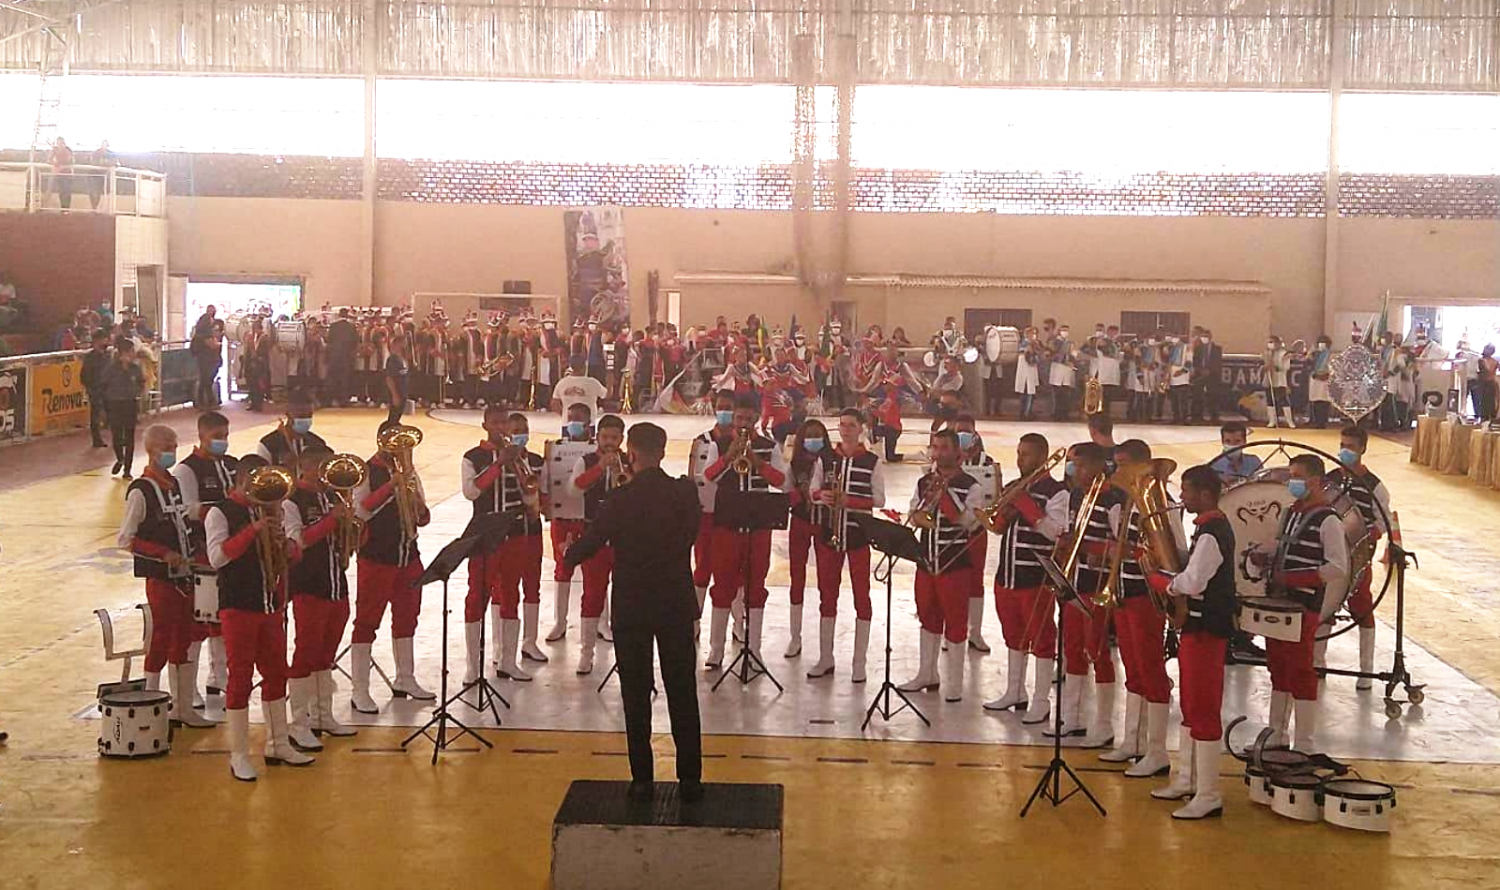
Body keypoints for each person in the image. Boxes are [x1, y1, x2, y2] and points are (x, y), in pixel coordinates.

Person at [563, 421, 703, 803]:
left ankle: (642, 779)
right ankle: (690, 780)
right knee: (682, 691)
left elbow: (591, 543)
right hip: (674, 601)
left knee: (636, 694)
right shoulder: (684, 493)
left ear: (633, 453)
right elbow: (691, 534)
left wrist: (569, 552)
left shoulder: (620, 499)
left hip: (632, 606)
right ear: (662, 451)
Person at [206, 453, 315, 780]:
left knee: (276, 673)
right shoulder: (220, 512)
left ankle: (278, 743)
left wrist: (287, 547)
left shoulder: (270, 511)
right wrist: (253, 531)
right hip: (238, 605)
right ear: (240, 482)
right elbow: (216, 558)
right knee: (239, 678)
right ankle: (238, 753)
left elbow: (288, 557)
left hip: (269, 604)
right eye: (255, 486)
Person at [1146, 464, 1235, 820]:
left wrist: (1160, 581)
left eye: (1186, 491)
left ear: (1205, 495)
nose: (1181, 497)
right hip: (1196, 630)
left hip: (1206, 630)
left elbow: (1194, 582)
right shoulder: (1206, 530)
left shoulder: (1212, 533)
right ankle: (1188, 779)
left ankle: (1209, 791)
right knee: (1191, 705)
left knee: (1203, 707)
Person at [116, 424, 214, 728]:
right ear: (152, 449)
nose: (173, 450)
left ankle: (182, 707)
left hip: (185, 576)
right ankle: (150, 703)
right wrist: (163, 554)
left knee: (184, 636)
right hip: (161, 578)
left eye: (174, 444)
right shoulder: (140, 491)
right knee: (161, 635)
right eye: (168, 446)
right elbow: (125, 539)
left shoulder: (172, 483)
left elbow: (182, 520)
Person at [1251, 454, 1348, 753]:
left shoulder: (1328, 520)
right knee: (1277, 666)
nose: (1290, 482)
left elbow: (1338, 567)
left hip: (1304, 605)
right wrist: (1265, 557)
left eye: (1296, 476)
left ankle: (1305, 743)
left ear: (1315, 481)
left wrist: (1292, 579)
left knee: (1302, 670)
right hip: (1280, 603)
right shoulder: (1292, 512)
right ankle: (1276, 734)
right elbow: (1284, 545)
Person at [1098, 440, 1176, 778]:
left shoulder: (1162, 505)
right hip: (1125, 592)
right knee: (1133, 667)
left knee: (1151, 668)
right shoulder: (1123, 505)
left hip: (1147, 596)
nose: (1117, 472)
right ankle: (1133, 741)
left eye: (1124, 465)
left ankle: (1157, 750)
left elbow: (1173, 554)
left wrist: (1132, 551)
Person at [350, 420, 434, 712]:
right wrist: (390, 487)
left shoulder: (409, 472)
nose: (402, 450)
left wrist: (418, 505)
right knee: (367, 621)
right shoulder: (365, 472)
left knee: (408, 615)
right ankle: (359, 689)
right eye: (397, 444)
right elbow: (360, 511)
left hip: (408, 553)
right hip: (377, 556)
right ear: (380, 442)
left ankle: (405, 677)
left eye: (406, 446)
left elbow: (423, 516)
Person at [982, 432, 1067, 723]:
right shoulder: (1015, 486)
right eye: (1018, 453)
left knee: (1042, 639)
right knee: (1013, 636)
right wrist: (1002, 512)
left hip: (1036, 577)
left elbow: (1058, 532)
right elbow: (997, 528)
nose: (1020, 459)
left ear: (1043, 457)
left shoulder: (1057, 492)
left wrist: (1029, 507)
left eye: (1026, 454)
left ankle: (1042, 702)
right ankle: (1015, 691)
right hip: (1007, 574)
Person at [700, 394, 788, 668]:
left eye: (750, 420)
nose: (744, 424)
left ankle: (755, 648)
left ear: (757, 420)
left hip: (759, 525)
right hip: (726, 523)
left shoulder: (769, 446)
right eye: (739, 419)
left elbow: (781, 481)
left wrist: (756, 461)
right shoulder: (718, 444)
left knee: (756, 586)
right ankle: (716, 649)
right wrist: (729, 457)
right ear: (733, 419)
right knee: (723, 584)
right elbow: (708, 476)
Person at [461, 408, 547, 683]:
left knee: (511, 595)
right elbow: (471, 491)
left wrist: (525, 481)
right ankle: (473, 667)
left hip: (516, 535)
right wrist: (499, 464)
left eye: (505, 424)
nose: (501, 428)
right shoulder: (473, 457)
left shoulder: (518, 456)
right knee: (477, 597)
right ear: (485, 424)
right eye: (496, 423)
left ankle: (508, 661)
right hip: (484, 537)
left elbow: (528, 492)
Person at [281, 447, 359, 750]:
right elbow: (297, 540)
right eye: (322, 468)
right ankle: (298, 722)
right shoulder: (291, 501)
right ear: (307, 468)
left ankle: (323, 715)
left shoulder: (330, 497)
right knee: (306, 652)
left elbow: (340, 539)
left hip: (335, 582)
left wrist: (351, 529)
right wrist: (331, 520)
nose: (328, 475)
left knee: (326, 652)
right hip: (308, 585)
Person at [898, 430, 981, 703]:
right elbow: (914, 513)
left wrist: (944, 495)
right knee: (927, 617)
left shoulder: (972, 486)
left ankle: (955, 683)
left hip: (955, 562)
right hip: (927, 560)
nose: (938, 452)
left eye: (944, 448)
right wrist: (923, 510)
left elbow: (968, 522)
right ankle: (927, 673)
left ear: (957, 452)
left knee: (955, 623)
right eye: (935, 447)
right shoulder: (924, 482)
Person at [1054, 442, 1122, 746]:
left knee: (1098, 652)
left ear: (1098, 465)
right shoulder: (1076, 495)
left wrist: (1095, 551)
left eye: (1081, 466)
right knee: (1072, 649)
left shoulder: (1115, 500)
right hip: (1075, 583)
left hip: (1097, 585)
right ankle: (1073, 717)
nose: (1075, 471)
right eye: (1073, 465)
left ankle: (1104, 723)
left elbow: (1123, 546)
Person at [807, 408, 884, 681]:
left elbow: (879, 500)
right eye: (842, 425)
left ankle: (859, 663)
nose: (846, 430)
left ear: (861, 428)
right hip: (830, 532)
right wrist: (822, 495)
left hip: (858, 535)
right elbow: (813, 490)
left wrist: (849, 501)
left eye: (851, 425)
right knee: (827, 595)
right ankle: (825, 657)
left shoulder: (873, 461)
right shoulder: (826, 457)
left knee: (862, 596)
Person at [172, 411, 237, 706]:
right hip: (200, 551)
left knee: (221, 618)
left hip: (225, 549)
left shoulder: (229, 465)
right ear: (201, 436)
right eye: (217, 437)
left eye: (225, 436)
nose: (222, 442)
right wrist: (226, 511)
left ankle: (218, 677)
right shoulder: (186, 470)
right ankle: (188, 689)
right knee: (199, 621)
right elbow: (188, 509)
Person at [1326, 426, 1389, 690]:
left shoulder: (1375, 485)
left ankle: (1366, 669)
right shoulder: (1329, 479)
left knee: (1362, 605)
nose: (1345, 451)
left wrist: (1362, 538)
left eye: (1351, 446)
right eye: (1342, 444)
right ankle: (1318, 661)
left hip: (1358, 556)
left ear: (1363, 449)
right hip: (1327, 553)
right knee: (1323, 605)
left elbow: (1382, 521)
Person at [569, 414, 630, 674]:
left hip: (623, 537)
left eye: (614, 438)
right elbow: (575, 489)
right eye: (605, 437)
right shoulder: (586, 461)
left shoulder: (629, 461)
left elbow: (635, 490)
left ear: (621, 440)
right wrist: (600, 468)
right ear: (597, 437)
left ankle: (625, 650)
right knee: (592, 594)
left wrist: (619, 471)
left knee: (625, 594)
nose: (609, 442)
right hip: (593, 532)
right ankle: (586, 652)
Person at [687, 392, 739, 637]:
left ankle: (740, 624)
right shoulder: (701, 441)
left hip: (734, 513)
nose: (725, 412)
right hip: (705, 511)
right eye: (721, 407)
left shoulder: (746, 440)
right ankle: (694, 621)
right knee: (702, 568)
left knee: (735, 571)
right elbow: (692, 476)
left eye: (729, 408)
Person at [542, 404, 595, 642]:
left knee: (595, 572)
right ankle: (559, 622)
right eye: (570, 417)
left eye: (578, 418)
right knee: (562, 569)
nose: (573, 422)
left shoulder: (598, 450)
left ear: (588, 423)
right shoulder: (554, 449)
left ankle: (601, 621)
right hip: (562, 519)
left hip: (589, 520)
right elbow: (546, 481)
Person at [784, 418, 832, 658]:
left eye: (818, 435)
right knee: (796, 576)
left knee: (826, 579)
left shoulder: (833, 463)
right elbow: (785, 491)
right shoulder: (795, 465)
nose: (814, 439)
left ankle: (826, 648)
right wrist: (798, 495)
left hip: (825, 524)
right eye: (809, 435)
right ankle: (795, 637)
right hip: (800, 523)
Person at [953, 415, 998, 652]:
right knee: (951, 581)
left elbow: (994, 495)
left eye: (967, 431)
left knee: (975, 580)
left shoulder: (987, 461)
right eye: (958, 431)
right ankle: (951, 632)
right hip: (950, 530)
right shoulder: (945, 457)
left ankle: (975, 632)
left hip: (977, 530)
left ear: (975, 434)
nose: (963, 436)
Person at [101, 336, 145, 478]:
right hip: (115, 403)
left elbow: (141, 382)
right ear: (123, 353)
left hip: (130, 403)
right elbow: (103, 385)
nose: (133, 354)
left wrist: (137, 392)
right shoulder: (111, 368)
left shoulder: (135, 368)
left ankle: (127, 469)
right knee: (117, 435)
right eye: (131, 351)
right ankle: (120, 458)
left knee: (130, 436)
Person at [256, 392, 328, 469]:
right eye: (301, 416)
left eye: (309, 416)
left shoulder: (317, 442)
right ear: (288, 414)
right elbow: (261, 475)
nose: (306, 420)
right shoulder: (268, 444)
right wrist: (283, 467)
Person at [81, 330, 112, 448]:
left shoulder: (107, 355)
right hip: (95, 389)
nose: (105, 341)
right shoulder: (90, 357)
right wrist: (91, 388)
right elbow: (85, 375)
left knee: (111, 413)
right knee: (95, 414)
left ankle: (115, 436)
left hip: (107, 389)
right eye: (103, 339)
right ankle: (96, 439)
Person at [553, 355, 608, 419]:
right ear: (584, 366)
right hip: (588, 423)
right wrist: (610, 382)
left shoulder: (562, 383)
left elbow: (554, 403)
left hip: (567, 423)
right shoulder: (593, 383)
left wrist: (565, 415)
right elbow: (606, 395)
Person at [189, 305, 221, 408]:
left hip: (204, 358)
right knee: (206, 380)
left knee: (205, 380)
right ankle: (206, 402)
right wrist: (218, 343)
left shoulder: (200, 331)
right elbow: (211, 345)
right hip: (206, 359)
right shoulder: (204, 333)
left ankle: (204, 402)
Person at [326, 308, 359, 405]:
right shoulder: (351, 327)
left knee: (334, 378)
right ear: (347, 315)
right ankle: (344, 400)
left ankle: (333, 400)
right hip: (347, 357)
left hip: (334, 357)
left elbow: (329, 341)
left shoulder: (333, 326)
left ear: (339, 315)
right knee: (345, 379)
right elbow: (355, 341)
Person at [1263, 335, 1295, 429]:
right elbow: (1263, 365)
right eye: (1269, 342)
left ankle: (1289, 421)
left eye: (1272, 342)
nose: (1270, 344)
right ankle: (1272, 421)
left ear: (1278, 343)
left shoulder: (1284, 354)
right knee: (1270, 400)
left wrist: (1275, 367)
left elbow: (1286, 367)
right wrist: (1265, 367)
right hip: (1269, 380)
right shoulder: (1266, 353)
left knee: (1283, 400)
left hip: (1280, 380)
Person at [1191, 329, 1222, 423]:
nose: (1204, 338)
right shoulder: (1198, 348)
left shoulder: (1217, 349)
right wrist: (1200, 370)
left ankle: (1214, 417)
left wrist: (1210, 370)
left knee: (1212, 397)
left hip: (1213, 376)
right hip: (1199, 375)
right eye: (1203, 336)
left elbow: (1218, 362)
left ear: (1210, 337)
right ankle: (1197, 417)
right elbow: (1195, 361)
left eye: (1206, 336)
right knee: (1197, 396)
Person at [1307, 335, 1333, 428]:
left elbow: (1333, 367)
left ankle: (1323, 422)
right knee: (1316, 401)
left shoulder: (1330, 355)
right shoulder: (1314, 354)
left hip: (1325, 379)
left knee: (1324, 402)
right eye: (1320, 342)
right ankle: (1316, 421)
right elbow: (1308, 366)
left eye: (1324, 342)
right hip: (1315, 379)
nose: (1322, 344)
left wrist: (1326, 375)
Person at [384, 334, 411, 425]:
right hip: (397, 392)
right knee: (394, 415)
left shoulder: (403, 358)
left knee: (398, 415)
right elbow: (389, 378)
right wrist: (394, 394)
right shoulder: (392, 359)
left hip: (403, 392)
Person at [48, 137, 74, 210]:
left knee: (67, 191)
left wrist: (61, 165)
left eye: (61, 142)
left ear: (64, 142)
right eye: (58, 143)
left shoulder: (68, 150)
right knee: (61, 191)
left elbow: (71, 161)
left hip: (68, 174)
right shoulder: (55, 150)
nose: (60, 144)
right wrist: (55, 164)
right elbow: (48, 160)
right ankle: (63, 208)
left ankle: (67, 208)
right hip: (59, 174)